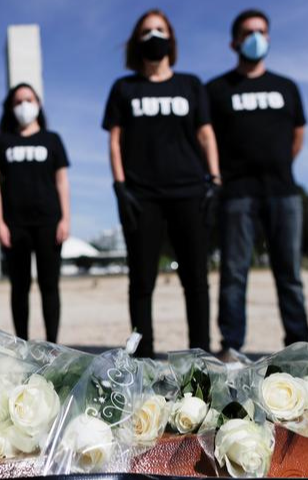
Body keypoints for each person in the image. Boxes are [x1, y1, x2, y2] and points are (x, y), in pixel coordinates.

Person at [103, 9, 221, 358]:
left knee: (196, 281)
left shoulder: (190, 85)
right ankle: (143, 357)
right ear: (136, 41)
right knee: (141, 282)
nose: (154, 35)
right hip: (141, 195)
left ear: (171, 37)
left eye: (160, 29)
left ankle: (200, 357)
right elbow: (114, 140)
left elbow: (206, 134)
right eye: (146, 30)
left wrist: (214, 179)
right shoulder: (124, 87)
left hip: (189, 191)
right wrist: (120, 186)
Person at [206, 9, 308, 354]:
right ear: (234, 41)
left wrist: (279, 165)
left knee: (290, 276)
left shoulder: (286, 87)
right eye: (249, 32)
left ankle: (299, 345)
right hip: (236, 194)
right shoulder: (217, 89)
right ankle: (232, 346)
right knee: (234, 275)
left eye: (262, 31)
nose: (257, 37)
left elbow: (298, 134)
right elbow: (205, 139)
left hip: (282, 192)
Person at [0, 83, 71, 342]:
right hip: (15, 225)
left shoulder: (52, 139)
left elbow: (62, 181)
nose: (24, 105)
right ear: (11, 108)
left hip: (48, 221)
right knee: (19, 288)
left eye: (29, 99)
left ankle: (52, 345)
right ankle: (21, 343)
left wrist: (65, 218)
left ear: (38, 103)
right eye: (18, 101)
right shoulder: (4, 141)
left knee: (49, 286)